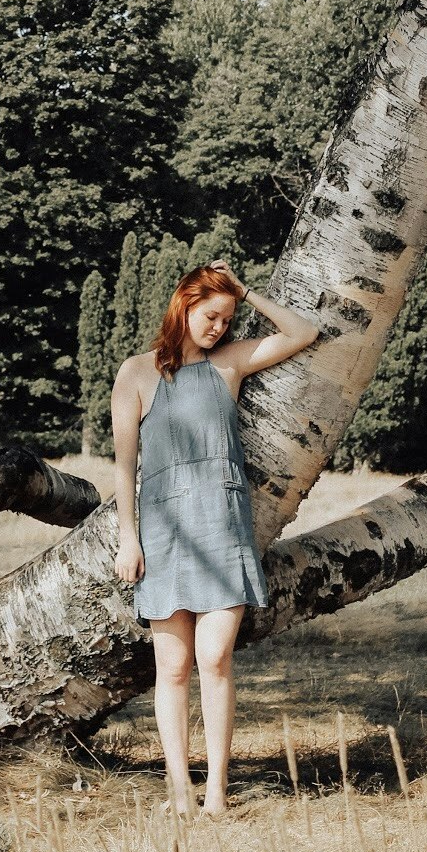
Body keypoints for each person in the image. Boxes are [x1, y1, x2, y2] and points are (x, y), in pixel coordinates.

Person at [110, 258, 318, 819]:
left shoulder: (228, 365)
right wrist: (129, 540)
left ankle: (218, 793)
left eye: (226, 319)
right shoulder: (135, 373)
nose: (218, 328)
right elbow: (124, 466)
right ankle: (179, 790)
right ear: (184, 305)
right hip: (163, 534)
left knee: (215, 656)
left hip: (222, 530)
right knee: (172, 668)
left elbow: (303, 333)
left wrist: (245, 291)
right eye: (210, 315)